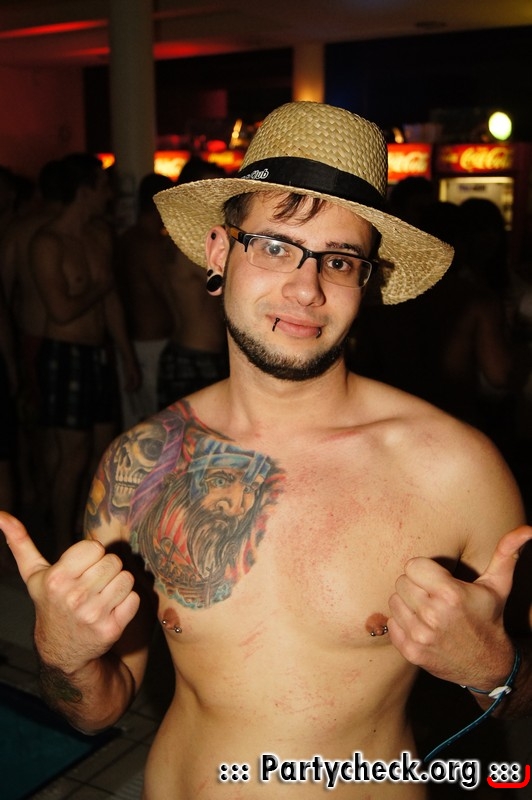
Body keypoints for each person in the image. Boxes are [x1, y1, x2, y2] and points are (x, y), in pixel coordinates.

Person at [1, 102, 532, 800]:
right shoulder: (144, 464)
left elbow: (519, 697)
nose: (305, 289)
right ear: (219, 253)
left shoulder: (455, 470)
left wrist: (495, 670)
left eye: (338, 260)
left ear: (367, 281)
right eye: (276, 246)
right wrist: (63, 658)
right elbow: (99, 707)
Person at [30, 152, 140, 557]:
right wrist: (101, 286)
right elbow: (61, 310)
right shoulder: (47, 242)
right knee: (72, 455)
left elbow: (110, 304)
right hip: (64, 352)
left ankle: (86, 533)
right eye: (102, 185)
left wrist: (126, 356)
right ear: (84, 190)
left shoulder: (98, 236)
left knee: (103, 450)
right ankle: (61, 541)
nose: (109, 194)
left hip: (98, 354)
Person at [0, 158, 65, 514]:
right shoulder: (33, 231)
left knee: (37, 427)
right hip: (37, 337)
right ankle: (37, 495)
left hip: (33, 335)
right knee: (37, 427)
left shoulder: (20, 230)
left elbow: (6, 291)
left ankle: (36, 494)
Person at [157, 156, 228, 408]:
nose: (216, 199)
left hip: (200, 354)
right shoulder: (190, 249)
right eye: (207, 191)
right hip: (193, 357)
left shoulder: (197, 242)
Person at [114, 172, 176, 429]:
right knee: (159, 424)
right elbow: (166, 293)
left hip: (135, 342)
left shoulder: (125, 239)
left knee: (141, 421)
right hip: (153, 344)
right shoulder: (150, 245)